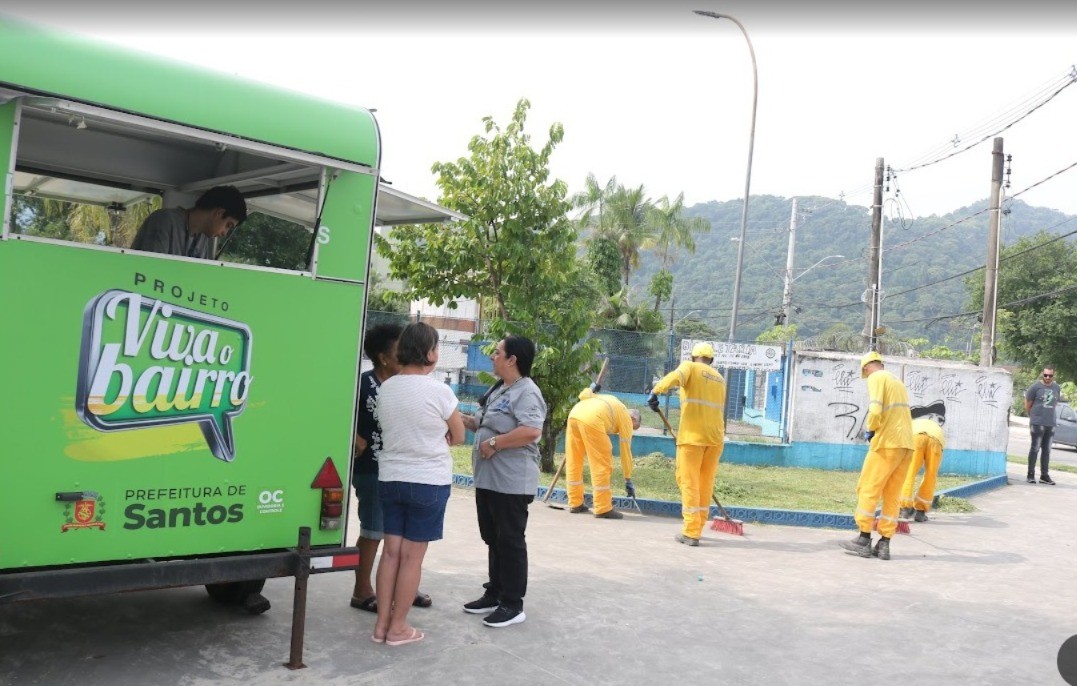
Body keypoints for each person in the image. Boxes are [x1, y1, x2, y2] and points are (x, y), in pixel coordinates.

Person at [129, 183, 262, 614]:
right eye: (227, 223)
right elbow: (156, 284)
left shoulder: (203, 241)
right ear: (215, 211)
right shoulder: (163, 224)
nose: (223, 232)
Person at [371, 322, 465, 646]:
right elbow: (460, 434)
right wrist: (443, 432)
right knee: (412, 558)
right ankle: (399, 628)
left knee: (391, 554)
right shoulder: (439, 391)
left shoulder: (386, 388)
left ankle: (381, 625)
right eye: (437, 347)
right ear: (429, 353)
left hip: (390, 478)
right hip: (427, 481)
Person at [460, 335, 546, 628]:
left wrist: (495, 443)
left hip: (511, 482)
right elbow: (482, 423)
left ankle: (513, 604)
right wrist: (457, 418)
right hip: (488, 479)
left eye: (497, 353)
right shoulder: (500, 389)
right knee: (492, 537)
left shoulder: (527, 392)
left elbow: (532, 430)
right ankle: (494, 592)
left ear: (512, 360)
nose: (492, 357)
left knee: (509, 540)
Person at [348, 322, 432, 614]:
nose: (407, 355)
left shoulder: (404, 385)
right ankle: (361, 591)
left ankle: (402, 588)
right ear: (383, 357)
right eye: (400, 351)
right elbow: (337, 417)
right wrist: (354, 435)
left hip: (404, 468)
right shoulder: (362, 385)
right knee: (373, 530)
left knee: (402, 533)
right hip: (372, 469)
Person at [646, 342, 726, 547]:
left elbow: (675, 378)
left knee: (688, 481)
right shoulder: (720, 378)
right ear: (712, 360)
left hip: (693, 437)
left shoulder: (690, 367)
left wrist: (656, 390)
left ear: (693, 357)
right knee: (704, 482)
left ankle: (691, 532)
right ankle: (697, 526)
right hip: (715, 438)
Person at [841, 351, 914, 561]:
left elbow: (875, 410)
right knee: (892, 494)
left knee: (868, 487)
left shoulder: (876, 378)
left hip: (887, 443)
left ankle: (863, 538)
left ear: (865, 368)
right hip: (906, 444)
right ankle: (884, 544)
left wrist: (871, 429)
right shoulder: (896, 381)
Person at [565, 383, 642, 519]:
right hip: (593, 420)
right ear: (634, 419)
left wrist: (591, 387)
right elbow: (626, 450)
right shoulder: (626, 418)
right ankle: (602, 508)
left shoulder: (610, 400)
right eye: (635, 427)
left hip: (574, 415)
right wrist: (628, 478)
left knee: (574, 460)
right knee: (602, 463)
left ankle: (575, 503)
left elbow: (583, 395)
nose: (632, 430)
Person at [130, 185, 247, 259]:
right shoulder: (164, 220)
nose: (224, 233)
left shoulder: (202, 238)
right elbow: (149, 269)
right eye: (228, 225)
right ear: (219, 213)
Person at [899, 402, 947, 522]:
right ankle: (920, 512)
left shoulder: (912, 422)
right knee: (931, 474)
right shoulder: (935, 424)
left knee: (909, 473)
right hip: (936, 439)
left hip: (916, 438)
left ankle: (904, 510)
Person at [1025, 366, 1061, 485]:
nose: (1047, 378)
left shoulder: (1056, 387)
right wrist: (1034, 417)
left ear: (1053, 376)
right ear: (1042, 374)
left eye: (1050, 376)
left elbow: (1054, 404)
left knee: (1047, 450)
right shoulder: (1035, 387)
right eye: (1045, 375)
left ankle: (1044, 476)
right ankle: (1030, 475)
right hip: (1037, 423)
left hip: (1050, 423)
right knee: (1035, 448)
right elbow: (1028, 405)